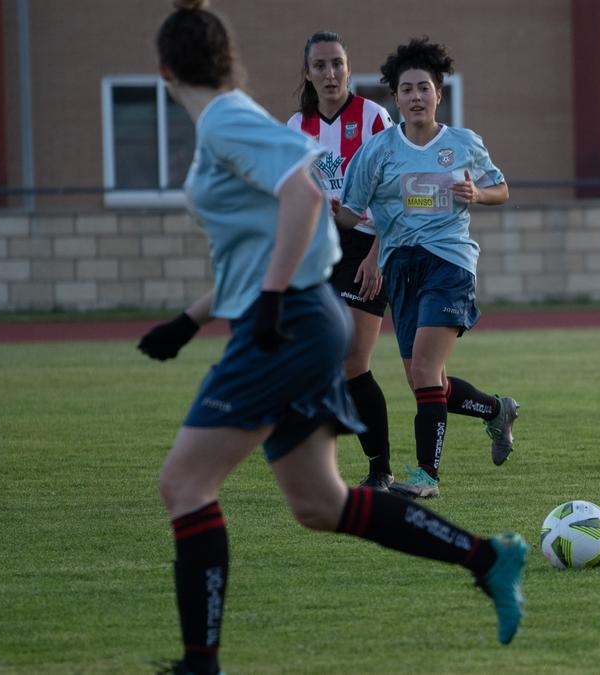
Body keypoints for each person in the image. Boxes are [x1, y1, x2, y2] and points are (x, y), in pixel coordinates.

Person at [137, 3, 527, 672]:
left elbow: (304, 193)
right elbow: (282, 220)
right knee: (321, 503)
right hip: (300, 314)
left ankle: (199, 663)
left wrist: (268, 299)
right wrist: (195, 316)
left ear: (165, 70)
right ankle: (487, 557)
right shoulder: (238, 121)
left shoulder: (227, 119)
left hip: (287, 321)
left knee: (184, 483)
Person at [336, 37, 518, 499]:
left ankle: (427, 476)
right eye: (406, 89)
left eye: (424, 88)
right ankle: (497, 410)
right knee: (426, 380)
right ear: (394, 98)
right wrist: (314, 206)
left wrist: (479, 194)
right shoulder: (377, 151)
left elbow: (501, 189)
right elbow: (350, 213)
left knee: (422, 369)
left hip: (450, 264)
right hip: (400, 269)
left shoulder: (462, 143)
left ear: (439, 93)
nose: (416, 97)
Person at [286, 31, 396, 490]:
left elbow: (396, 192)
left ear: (349, 68)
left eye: (338, 64)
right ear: (308, 73)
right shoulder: (295, 127)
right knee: (317, 359)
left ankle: (380, 470)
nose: (330, 73)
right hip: (318, 249)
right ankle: (319, 463)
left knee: (353, 360)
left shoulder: (373, 118)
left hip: (367, 244)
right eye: (320, 66)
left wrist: (376, 255)